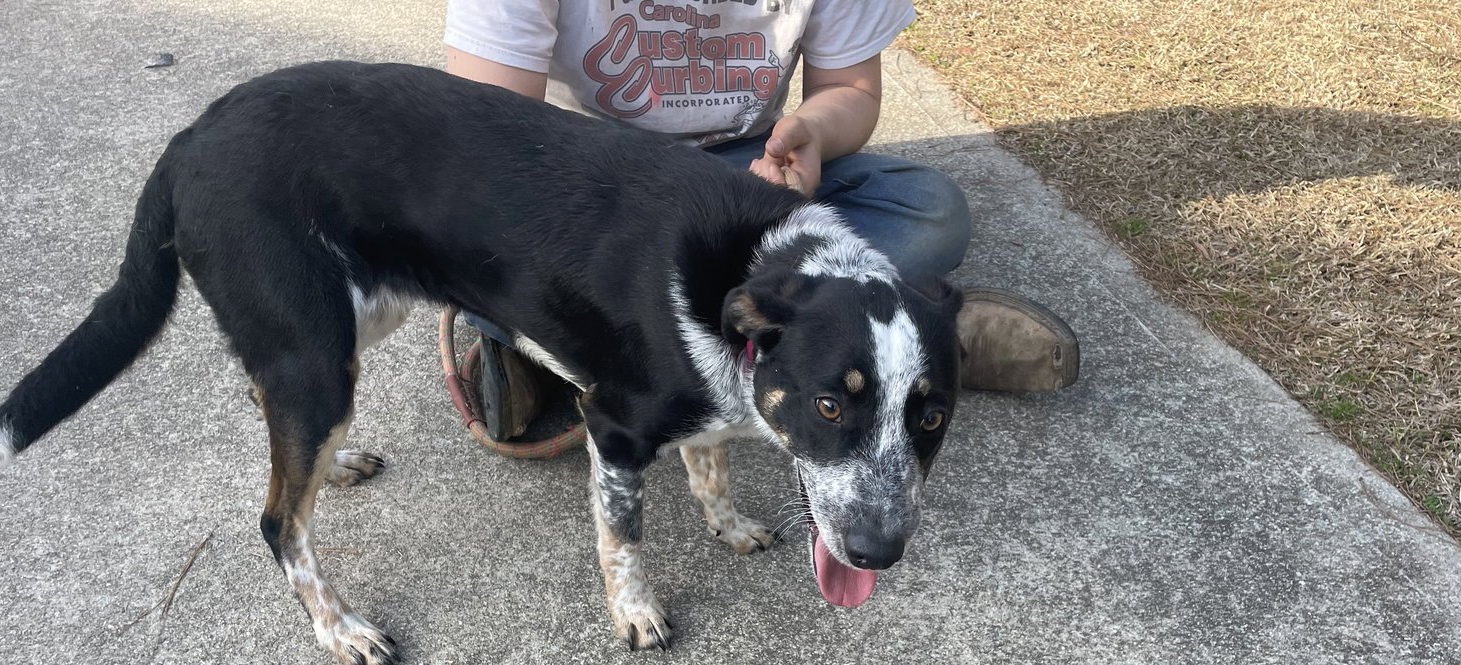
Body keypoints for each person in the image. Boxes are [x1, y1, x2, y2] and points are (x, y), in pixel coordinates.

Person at [445, 0, 1079, 439]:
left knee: (929, 213)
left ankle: (913, 345)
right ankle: (888, 333)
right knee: (462, 234)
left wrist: (811, 136)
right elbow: (491, 136)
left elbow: (852, 92)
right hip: (599, 185)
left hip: (750, 168)